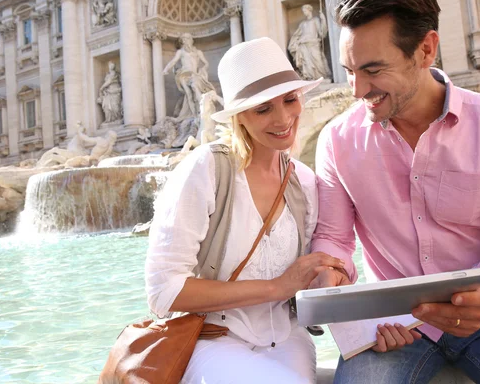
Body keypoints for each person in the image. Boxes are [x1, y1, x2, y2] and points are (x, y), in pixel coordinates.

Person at [310, 0, 480, 383]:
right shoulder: (336, 141)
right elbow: (335, 242)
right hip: (390, 327)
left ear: (426, 50)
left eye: (372, 70)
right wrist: (332, 277)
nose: (357, 91)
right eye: (350, 72)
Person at [146, 37, 343, 383]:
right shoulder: (206, 169)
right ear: (239, 117)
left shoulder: (306, 183)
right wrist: (276, 287)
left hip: (289, 339)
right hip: (213, 341)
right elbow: (164, 292)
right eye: (263, 108)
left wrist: (332, 279)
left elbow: (306, 280)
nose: (283, 118)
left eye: (289, 99)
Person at [163, 33, 216, 119]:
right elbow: (173, 61)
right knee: (189, 94)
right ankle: (194, 115)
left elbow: (206, 63)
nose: (186, 41)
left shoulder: (198, 52)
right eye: (184, 39)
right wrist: (166, 69)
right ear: (182, 41)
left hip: (195, 74)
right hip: (184, 75)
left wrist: (203, 69)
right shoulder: (180, 52)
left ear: (191, 40)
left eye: (187, 38)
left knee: (196, 90)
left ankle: (201, 112)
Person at [288, 4, 332, 81]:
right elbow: (296, 35)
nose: (304, 13)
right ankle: (310, 78)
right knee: (307, 63)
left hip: (313, 44)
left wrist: (323, 20)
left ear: (309, 10)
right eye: (303, 11)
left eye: (305, 11)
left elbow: (321, 33)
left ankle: (321, 76)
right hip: (303, 45)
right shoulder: (302, 24)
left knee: (318, 61)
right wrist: (296, 42)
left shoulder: (315, 20)